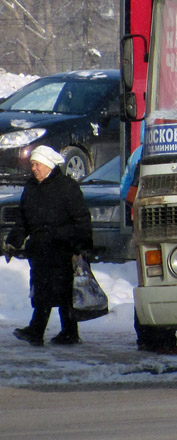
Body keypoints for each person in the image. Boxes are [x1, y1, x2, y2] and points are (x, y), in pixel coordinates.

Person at [3, 146, 92, 346]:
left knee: (60, 292)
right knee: (46, 291)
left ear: (48, 165)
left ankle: (42, 331)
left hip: (63, 249)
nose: (33, 168)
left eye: (37, 164)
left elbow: (82, 219)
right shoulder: (31, 187)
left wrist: (83, 246)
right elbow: (23, 221)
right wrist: (12, 242)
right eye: (32, 165)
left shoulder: (67, 187)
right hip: (40, 250)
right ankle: (65, 332)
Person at [120, 134, 177, 355]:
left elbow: (124, 191)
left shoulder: (138, 154)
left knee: (148, 281)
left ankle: (146, 338)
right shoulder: (161, 154)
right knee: (163, 280)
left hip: (144, 227)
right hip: (161, 227)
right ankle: (164, 339)